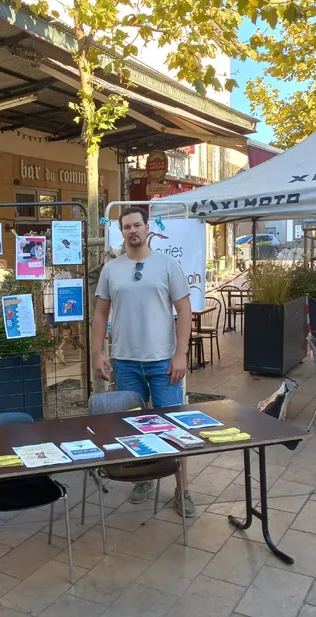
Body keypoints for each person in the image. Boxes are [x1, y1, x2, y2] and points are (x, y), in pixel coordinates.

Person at [92, 206, 195, 516]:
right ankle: (144, 477)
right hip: (125, 361)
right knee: (135, 427)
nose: (132, 230)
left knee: (175, 428)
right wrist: (98, 352)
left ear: (147, 228)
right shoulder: (111, 270)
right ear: (121, 232)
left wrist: (181, 354)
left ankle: (182, 489)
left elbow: (185, 310)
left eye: (137, 225)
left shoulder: (167, 265)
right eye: (126, 227)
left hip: (163, 362)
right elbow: (100, 313)